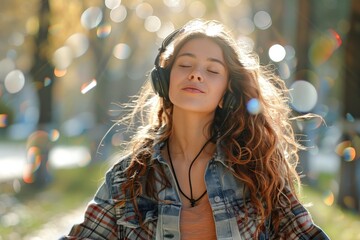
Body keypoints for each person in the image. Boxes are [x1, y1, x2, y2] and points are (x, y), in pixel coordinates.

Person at [61, 19, 329, 239]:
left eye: (212, 70)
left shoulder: (257, 169)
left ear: (227, 95)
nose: (196, 74)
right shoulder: (126, 178)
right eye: (185, 65)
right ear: (164, 82)